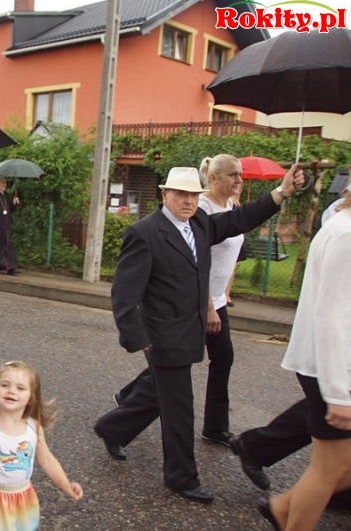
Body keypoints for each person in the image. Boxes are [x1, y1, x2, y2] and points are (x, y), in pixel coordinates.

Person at [93, 165, 303, 504]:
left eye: (193, 195)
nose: (188, 201)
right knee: (180, 407)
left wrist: (281, 193)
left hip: (190, 330)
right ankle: (181, 477)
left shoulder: (201, 223)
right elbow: (124, 292)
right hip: (163, 336)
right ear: (165, 194)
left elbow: (241, 219)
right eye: (181, 194)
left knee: (158, 394)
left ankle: (112, 428)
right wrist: (138, 337)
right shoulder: (144, 232)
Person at [258, 196, 351, 530]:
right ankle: (285, 513)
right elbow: (329, 314)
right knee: (331, 469)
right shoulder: (346, 233)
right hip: (334, 370)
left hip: (336, 365)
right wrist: (338, 393)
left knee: (340, 467)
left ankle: (282, 508)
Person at [0, 360, 83, 530]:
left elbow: (47, 460)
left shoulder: (33, 427)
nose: (11, 391)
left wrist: (65, 484)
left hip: (22, 499)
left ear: (30, 398)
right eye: (4, 385)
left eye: (20, 388)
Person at [197, 155, 245, 446]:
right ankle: (127, 408)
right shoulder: (202, 208)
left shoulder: (231, 207)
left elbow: (233, 256)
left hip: (217, 301)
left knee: (223, 358)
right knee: (174, 362)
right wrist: (209, 307)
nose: (239, 180)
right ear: (214, 178)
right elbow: (197, 262)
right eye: (233, 174)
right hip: (197, 302)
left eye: (240, 174)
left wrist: (225, 292)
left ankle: (215, 428)